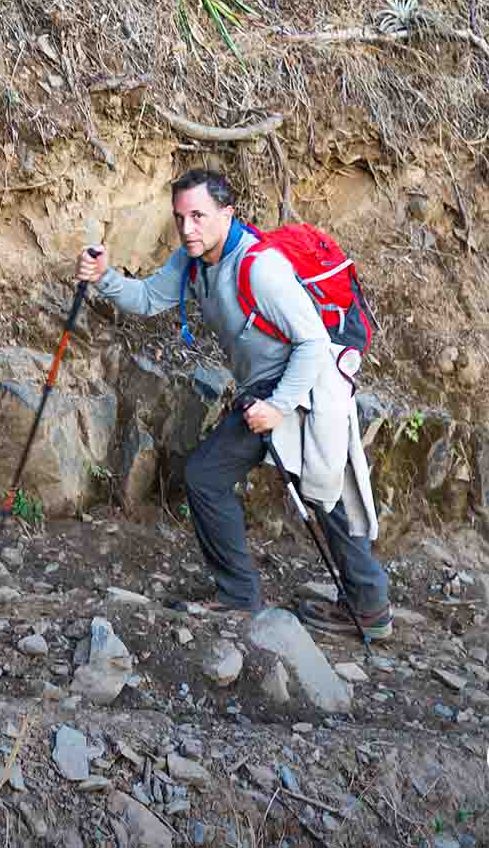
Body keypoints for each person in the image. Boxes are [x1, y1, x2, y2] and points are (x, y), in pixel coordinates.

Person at [74, 167, 392, 639]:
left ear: (227, 213)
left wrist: (280, 406)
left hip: (304, 386)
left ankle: (343, 606)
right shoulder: (192, 260)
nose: (188, 228)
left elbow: (310, 342)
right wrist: (104, 278)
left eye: (199, 216)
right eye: (181, 217)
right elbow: (145, 298)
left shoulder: (260, 267)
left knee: (308, 491)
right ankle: (280, 599)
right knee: (247, 481)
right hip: (265, 390)